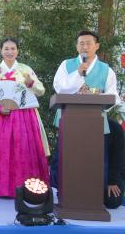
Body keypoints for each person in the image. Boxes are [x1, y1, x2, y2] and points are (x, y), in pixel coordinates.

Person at [52, 30, 123, 202]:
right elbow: (59, 88)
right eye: (81, 43)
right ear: (77, 46)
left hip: (96, 122)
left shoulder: (106, 70)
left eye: (89, 43)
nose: (85, 46)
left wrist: (93, 96)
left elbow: (113, 96)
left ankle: (93, 197)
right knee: (67, 158)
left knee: (93, 159)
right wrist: (77, 74)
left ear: (96, 46)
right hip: (69, 120)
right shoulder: (66, 65)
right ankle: (65, 194)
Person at [0, 38, 50, 197]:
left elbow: (41, 91)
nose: (9, 52)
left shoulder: (25, 69)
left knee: (22, 149)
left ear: (18, 51)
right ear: (1, 51)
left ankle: (24, 187)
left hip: (23, 116)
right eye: (6, 48)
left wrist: (31, 83)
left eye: (13, 48)